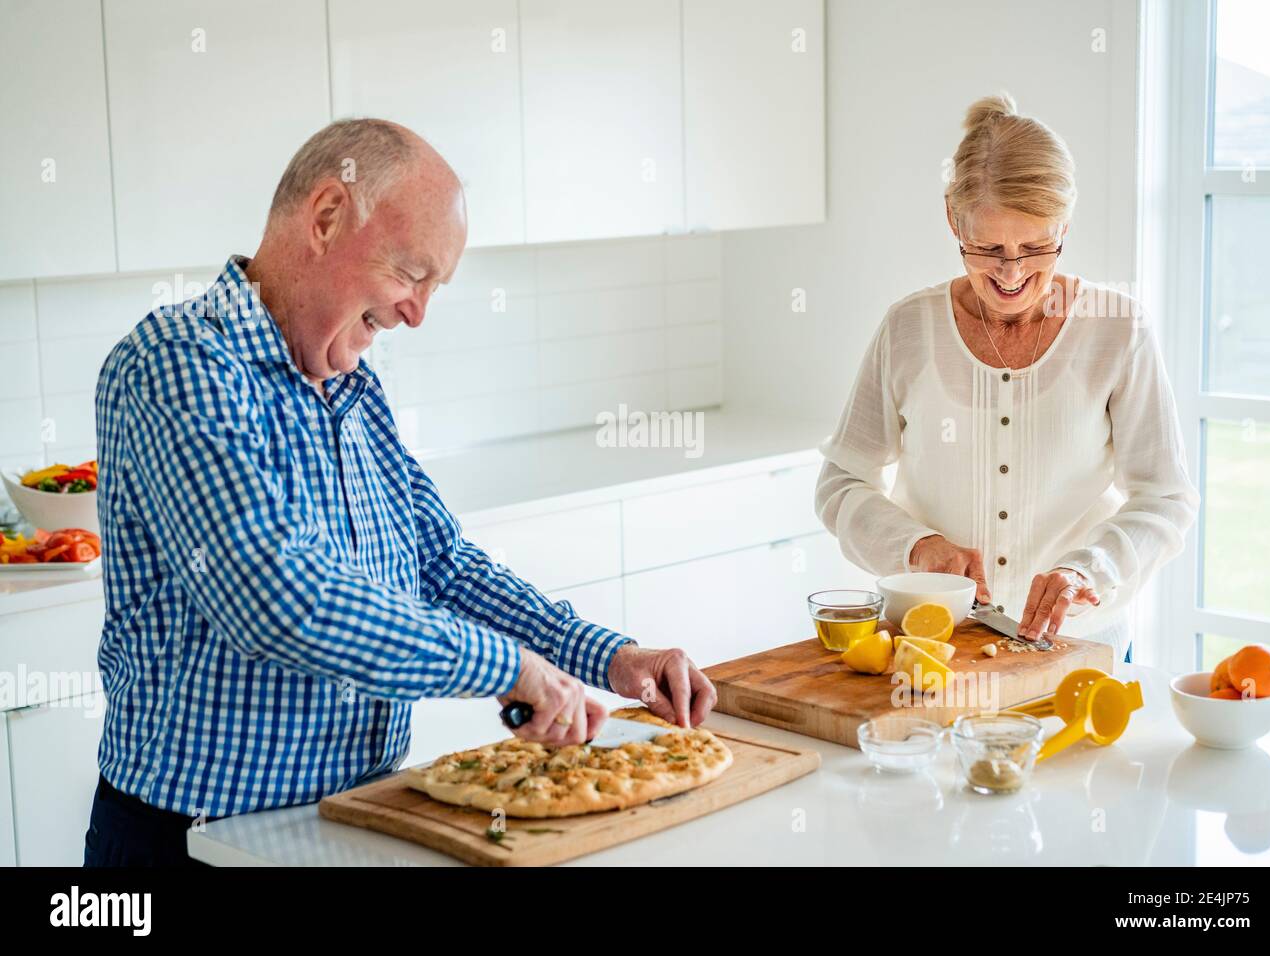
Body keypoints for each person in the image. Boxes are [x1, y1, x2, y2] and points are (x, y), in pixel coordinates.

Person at [84, 119, 716, 866]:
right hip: (195, 838)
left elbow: (441, 565)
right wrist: (509, 670)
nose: (416, 313)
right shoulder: (180, 366)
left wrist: (611, 658)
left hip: (352, 817)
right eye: (412, 275)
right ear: (325, 218)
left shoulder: (351, 386)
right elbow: (279, 600)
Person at [816, 93, 1198, 660]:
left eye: (1038, 245)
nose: (1013, 273)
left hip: (1080, 648)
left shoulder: (1118, 330)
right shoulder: (908, 329)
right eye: (989, 248)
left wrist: (1087, 570)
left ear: (1065, 222)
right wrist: (916, 547)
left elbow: (1165, 498)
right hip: (935, 647)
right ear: (952, 217)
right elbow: (841, 484)